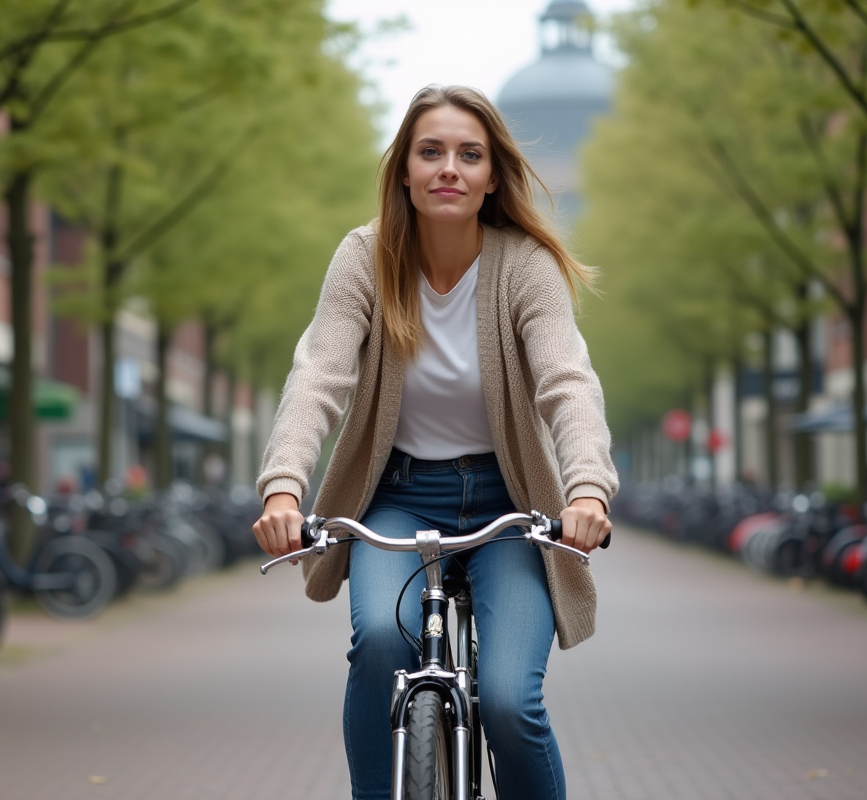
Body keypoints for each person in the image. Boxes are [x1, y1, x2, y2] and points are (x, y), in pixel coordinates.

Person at [252, 85, 618, 800]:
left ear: (490, 176)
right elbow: (320, 373)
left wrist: (585, 490)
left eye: (468, 154)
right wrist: (283, 486)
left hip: (507, 508)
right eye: (431, 152)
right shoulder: (365, 258)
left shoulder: (524, 266)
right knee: (381, 645)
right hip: (396, 500)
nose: (449, 167)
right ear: (405, 172)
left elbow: (567, 383)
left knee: (512, 701)